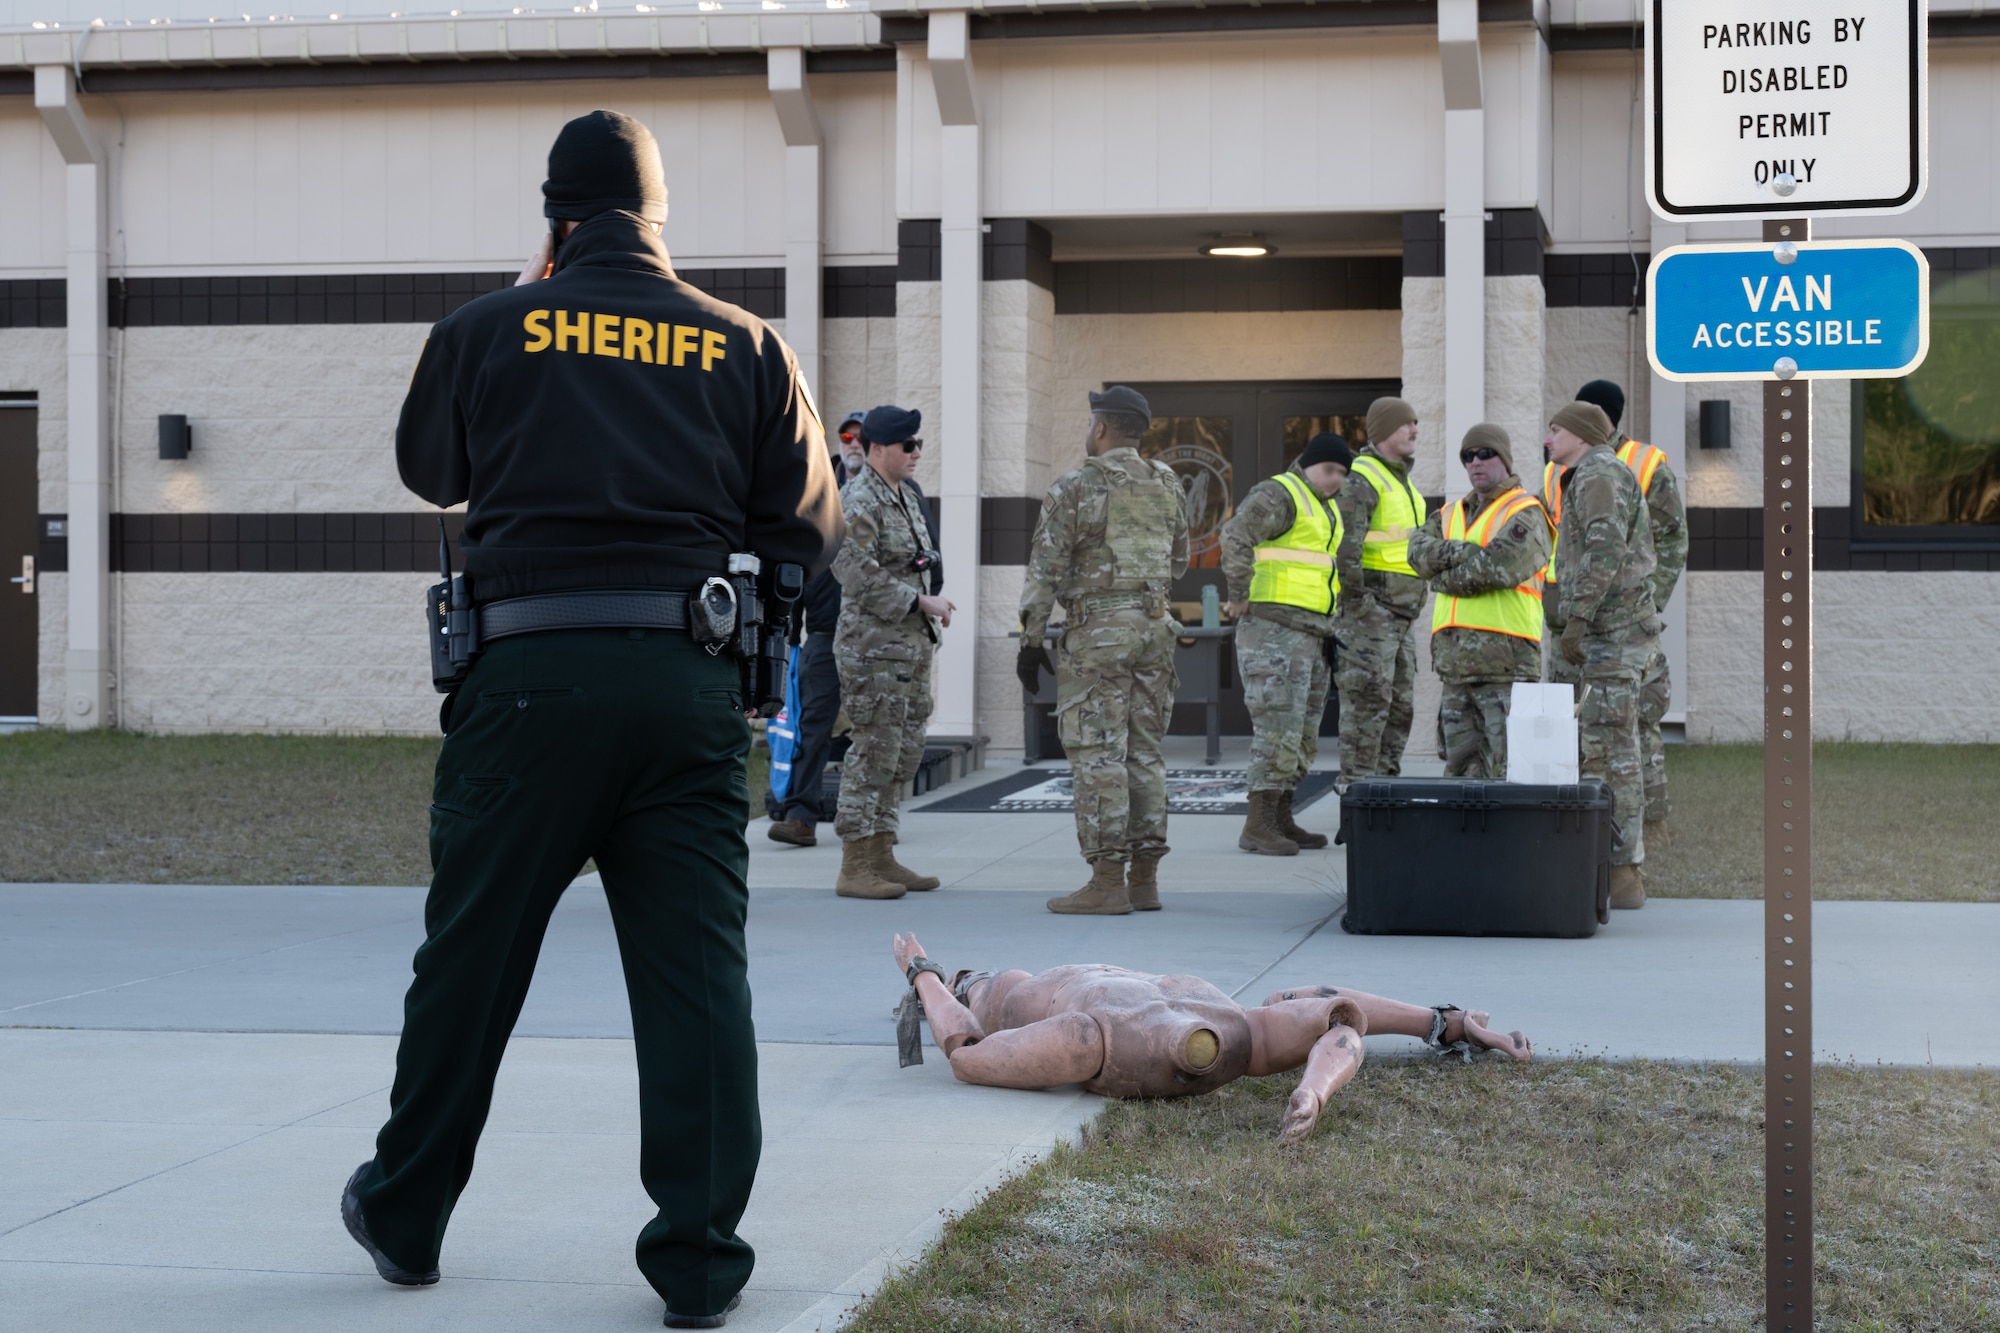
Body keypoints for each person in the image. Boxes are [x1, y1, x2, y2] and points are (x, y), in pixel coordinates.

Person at [347, 110, 842, 1329]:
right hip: (685, 685)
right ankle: (699, 1263)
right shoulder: (743, 342)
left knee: (469, 961)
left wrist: (524, 306)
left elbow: (429, 470)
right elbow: (811, 525)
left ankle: (405, 1215)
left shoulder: (484, 329)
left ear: (555, 221)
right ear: (659, 221)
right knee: (694, 981)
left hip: (524, 683)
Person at [889, 932, 1531, 1146]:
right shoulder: (1233, 1032)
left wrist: (927, 977)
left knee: (1323, 1014)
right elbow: (1339, 1011)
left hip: (1163, 1037)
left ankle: (1334, 1081)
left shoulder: (1041, 1014)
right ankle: (1338, 1079)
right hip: (1210, 1029)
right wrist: (1447, 1021)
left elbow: (968, 1055)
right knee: (1323, 1013)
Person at [1016, 386, 1191, 915]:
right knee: (1144, 752)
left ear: (1100, 429)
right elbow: (1179, 561)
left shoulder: (1077, 486)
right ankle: (1145, 880)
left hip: (1098, 636)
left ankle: (1107, 880)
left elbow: (1044, 569)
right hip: (1155, 628)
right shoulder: (1167, 484)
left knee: (1098, 754)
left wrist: (1030, 638)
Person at [830, 404, 955, 899]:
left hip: (906, 648)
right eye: (907, 445)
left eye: (919, 443)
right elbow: (852, 565)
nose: (916, 452)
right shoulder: (861, 499)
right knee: (873, 751)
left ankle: (882, 853)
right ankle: (855, 863)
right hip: (873, 651)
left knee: (901, 753)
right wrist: (918, 600)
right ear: (877, 448)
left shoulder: (902, 496)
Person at [1544, 400, 1658, 910]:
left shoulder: (1598, 473)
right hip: (1606, 634)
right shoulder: (1589, 472)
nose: (1548, 439)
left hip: (1612, 633)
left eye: (1555, 429)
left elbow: (1605, 547)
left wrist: (1580, 616)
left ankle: (1622, 873)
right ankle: (1608, 868)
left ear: (1581, 433)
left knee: (1612, 753)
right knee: (1603, 748)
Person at [1219, 432, 1352, 855]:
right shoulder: (1280, 494)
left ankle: (1281, 817)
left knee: (1302, 734)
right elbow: (1235, 537)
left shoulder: (1324, 506)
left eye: (1342, 473)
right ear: (1309, 463)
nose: (1335, 480)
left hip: (1312, 635)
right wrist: (1238, 594)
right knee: (1277, 729)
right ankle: (1257, 825)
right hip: (1273, 631)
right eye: (1329, 469)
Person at [1571, 380, 1687, 849]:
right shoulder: (1568, 464)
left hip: (1626, 622)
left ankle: (1648, 831)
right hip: (1580, 623)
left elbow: (1673, 538)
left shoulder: (1645, 463)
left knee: (1635, 724)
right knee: (1596, 729)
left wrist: (1648, 605)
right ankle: (1608, 832)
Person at [1406, 424, 1552, 779]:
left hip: (1505, 666)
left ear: (1504, 458)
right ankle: (1463, 837)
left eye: (1485, 454)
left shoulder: (1527, 512)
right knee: (1459, 772)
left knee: (1510, 770)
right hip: (1455, 668)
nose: (1475, 462)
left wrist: (1441, 579)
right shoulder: (1450, 513)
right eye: (1468, 456)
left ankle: (1506, 837)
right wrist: (1463, 551)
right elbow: (1416, 552)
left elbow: (1496, 569)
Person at [1333, 397, 1430, 790]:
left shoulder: (1402, 479)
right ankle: (1355, 791)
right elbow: (1345, 549)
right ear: (1384, 430)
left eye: (1415, 422)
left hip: (1402, 616)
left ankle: (1385, 791)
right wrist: (1362, 606)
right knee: (1367, 705)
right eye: (1407, 423)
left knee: (1399, 707)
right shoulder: (1362, 478)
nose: (1415, 430)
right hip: (1372, 617)